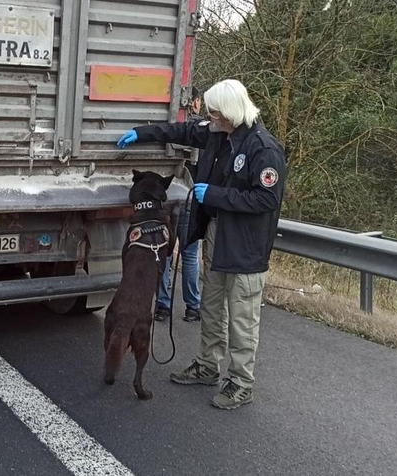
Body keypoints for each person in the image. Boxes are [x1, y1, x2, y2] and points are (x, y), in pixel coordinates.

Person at [116, 79, 286, 410]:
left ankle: (240, 382)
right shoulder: (218, 134)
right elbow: (179, 132)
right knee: (211, 305)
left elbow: (266, 199)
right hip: (218, 236)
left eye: (215, 112)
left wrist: (216, 195)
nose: (210, 118)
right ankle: (208, 366)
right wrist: (142, 132)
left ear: (232, 113)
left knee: (241, 317)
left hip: (245, 247)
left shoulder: (263, 150)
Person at [155, 87, 203, 323]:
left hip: (168, 196)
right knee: (190, 255)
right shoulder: (205, 131)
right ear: (195, 102)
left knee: (163, 252)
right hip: (192, 198)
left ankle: (162, 306)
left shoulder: (171, 126)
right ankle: (192, 307)